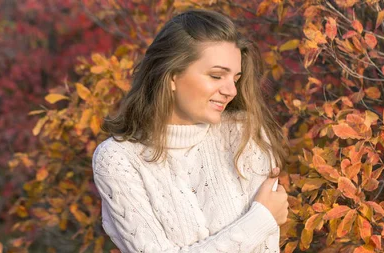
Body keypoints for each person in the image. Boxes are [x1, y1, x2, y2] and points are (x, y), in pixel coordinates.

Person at [91, 9, 288, 253]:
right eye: (216, 76)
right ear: (172, 75)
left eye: (235, 79)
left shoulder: (243, 134)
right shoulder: (117, 160)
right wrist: (261, 220)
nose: (231, 91)